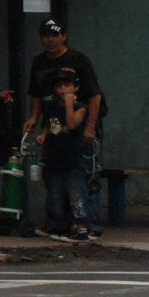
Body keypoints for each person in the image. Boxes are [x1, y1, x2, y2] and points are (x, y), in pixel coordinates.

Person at [24, 19, 105, 237]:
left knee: (83, 177)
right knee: (55, 179)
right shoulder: (39, 63)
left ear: (64, 36)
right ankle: (59, 223)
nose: (49, 39)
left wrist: (89, 128)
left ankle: (89, 224)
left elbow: (95, 96)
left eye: (54, 34)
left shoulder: (78, 60)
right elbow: (37, 94)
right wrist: (35, 119)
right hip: (54, 128)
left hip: (80, 129)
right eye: (45, 35)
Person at [29, 66, 91, 241]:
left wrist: (69, 104)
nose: (62, 89)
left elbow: (71, 125)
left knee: (75, 192)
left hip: (72, 158)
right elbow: (53, 125)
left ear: (75, 87)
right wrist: (43, 135)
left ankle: (80, 227)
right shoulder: (52, 107)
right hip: (54, 155)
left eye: (67, 84)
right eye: (59, 86)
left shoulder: (80, 108)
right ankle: (57, 224)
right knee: (55, 192)